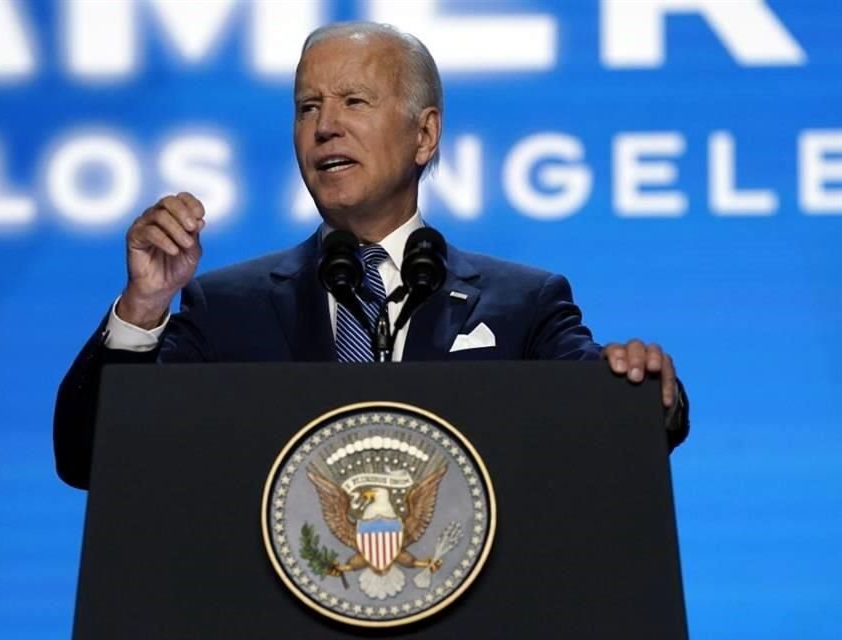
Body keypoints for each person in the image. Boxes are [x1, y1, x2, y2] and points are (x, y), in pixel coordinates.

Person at [54, 22, 688, 490]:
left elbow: (627, 426)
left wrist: (643, 384)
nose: (326, 125)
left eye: (354, 101)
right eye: (308, 107)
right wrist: (142, 308)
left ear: (425, 134)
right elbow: (91, 460)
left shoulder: (526, 303)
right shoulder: (222, 308)